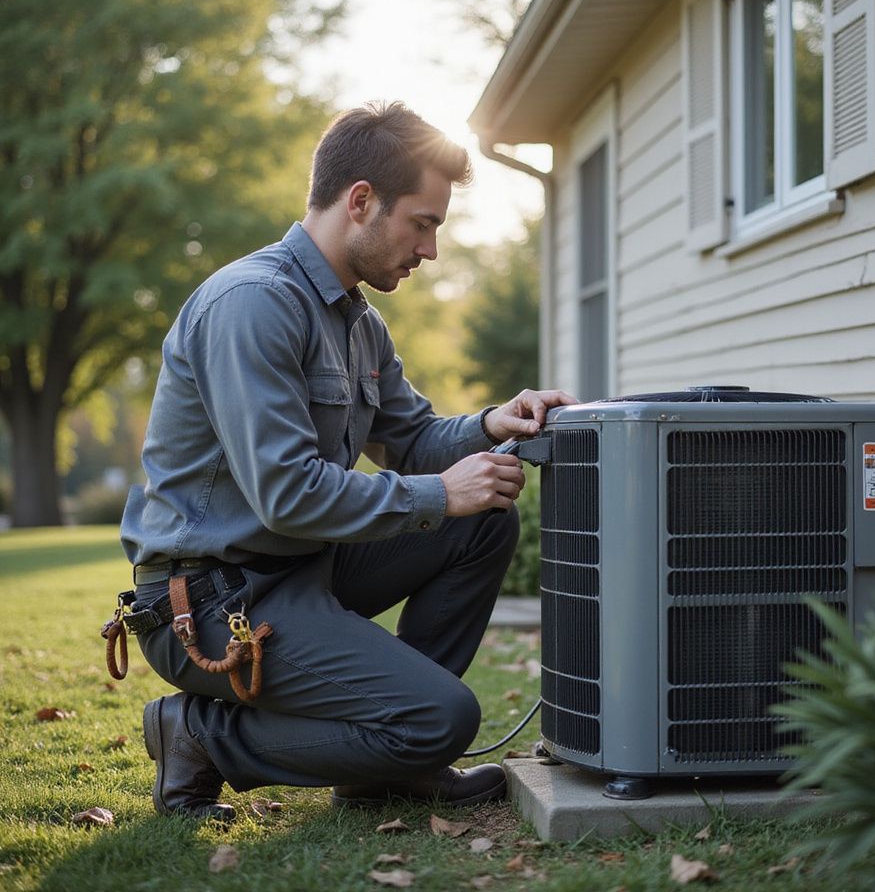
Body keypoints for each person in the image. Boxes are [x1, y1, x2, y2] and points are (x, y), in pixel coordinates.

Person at [119, 101, 575, 821]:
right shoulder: (253, 304)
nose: (430, 250)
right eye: (422, 223)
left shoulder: (359, 322)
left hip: (298, 571)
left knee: (481, 520)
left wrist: (490, 423)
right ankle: (198, 735)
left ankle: (384, 769)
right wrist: (436, 495)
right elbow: (288, 495)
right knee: (442, 718)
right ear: (361, 201)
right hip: (210, 604)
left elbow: (415, 437)